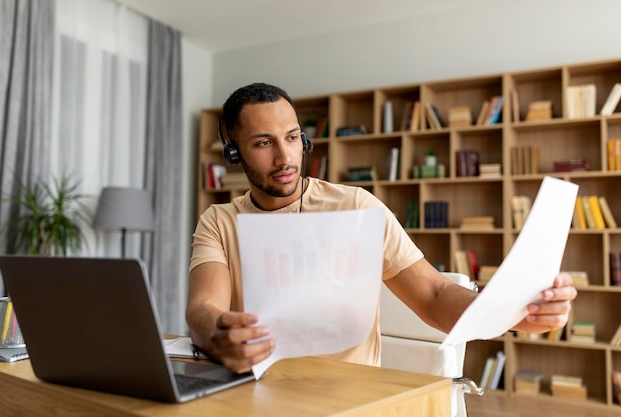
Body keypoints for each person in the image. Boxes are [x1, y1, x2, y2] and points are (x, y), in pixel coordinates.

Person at [186, 82, 577, 374]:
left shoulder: (356, 207)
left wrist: (512, 314)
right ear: (234, 152)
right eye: (263, 143)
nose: (285, 156)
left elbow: (435, 295)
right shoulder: (219, 222)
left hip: (353, 399)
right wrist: (216, 332)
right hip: (255, 394)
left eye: (291, 138)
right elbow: (204, 308)